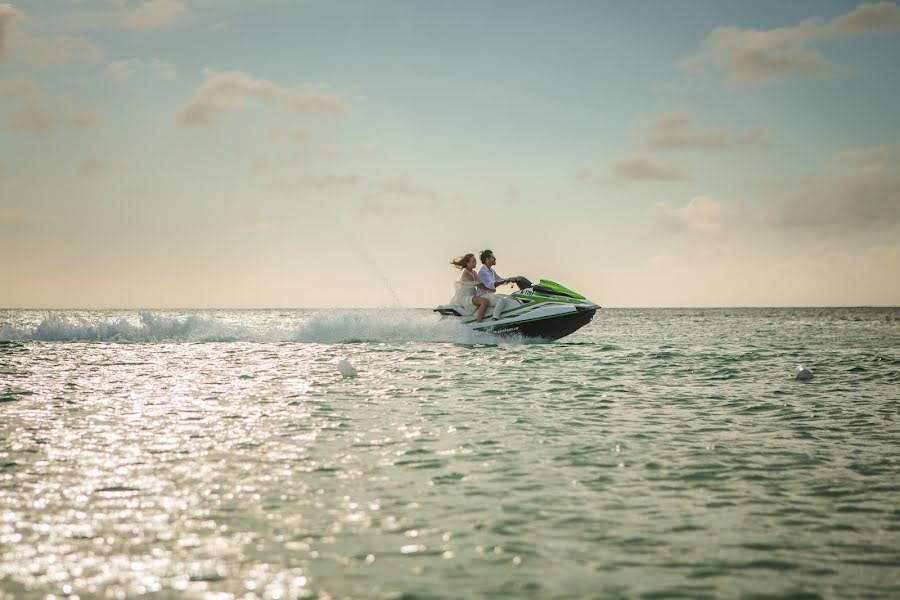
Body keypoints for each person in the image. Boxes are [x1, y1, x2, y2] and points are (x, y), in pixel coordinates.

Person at [475, 249, 516, 321]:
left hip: (490, 295)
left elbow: (499, 279)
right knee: (501, 300)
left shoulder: (491, 271)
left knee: (510, 297)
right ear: (487, 259)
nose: (495, 258)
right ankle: (495, 319)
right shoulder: (483, 272)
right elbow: (491, 285)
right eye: (492, 257)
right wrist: (505, 281)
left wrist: (509, 279)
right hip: (483, 296)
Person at [449, 253, 490, 320]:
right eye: (473, 261)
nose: (475, 262)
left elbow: (482, 283)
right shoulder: (466, 273)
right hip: (465, 298)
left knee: (488, 298)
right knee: (484, 301)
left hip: (473, 296)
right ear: (467, 263)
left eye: (475, 261)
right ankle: (478, 323)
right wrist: (490, 288)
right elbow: (479, 285)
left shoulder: (474, 272)